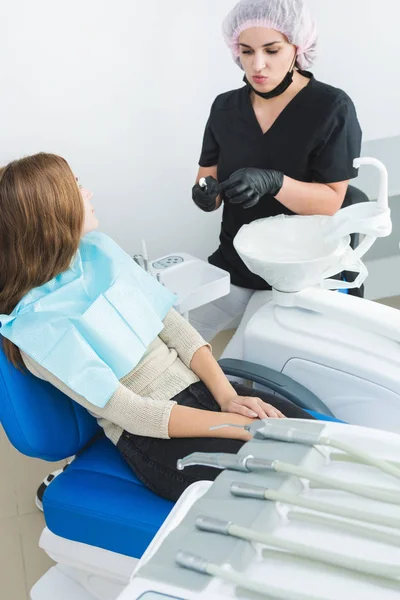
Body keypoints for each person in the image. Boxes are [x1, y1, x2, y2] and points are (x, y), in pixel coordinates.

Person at [0, 153, 314, 502]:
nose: (87, 193)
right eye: (75, 187)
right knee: (291, 486)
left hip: (202, 391)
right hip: (153, 436)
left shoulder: (97, 251)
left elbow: (174, 327)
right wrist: (240, 427)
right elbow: (131, 414)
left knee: (316, 442)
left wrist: (229, 397)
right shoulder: (36, 327)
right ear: (51, 214)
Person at [190, 0, 362, 350]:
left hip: (293, 275)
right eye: (246, 51)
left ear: (297, 48)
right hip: (234, 264)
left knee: (242, 366)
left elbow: (332, 201)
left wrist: (275, 182)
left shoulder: (331, 108)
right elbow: (207, 176)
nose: (257, 64)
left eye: (271, 50)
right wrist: (206, 193)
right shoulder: (225, 108)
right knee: (168, 343)